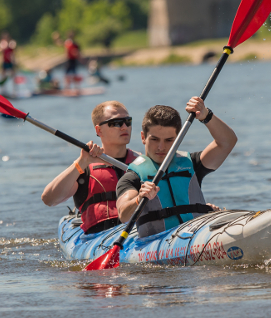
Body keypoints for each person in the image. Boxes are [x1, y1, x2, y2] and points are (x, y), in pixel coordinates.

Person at [116, 100, 237, 238]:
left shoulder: (192, 163)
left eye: (169, 140)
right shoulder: (132, 177)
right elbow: (123, 215)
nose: (161, 147)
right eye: (154, 139)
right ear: (143, 137)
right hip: (157, 242)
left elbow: (227, 142)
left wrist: (206, 115)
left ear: (178, 139)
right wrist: (139, 198)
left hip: (197, 236)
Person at [41, 101, 139, 235]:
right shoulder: (85, 167)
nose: (124, 127)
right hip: (100, 237)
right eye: (116, 123)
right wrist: (81, 162)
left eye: (128, 121)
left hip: (137, 233)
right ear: (99, 130)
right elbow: (48, 199)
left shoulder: (141, 163)